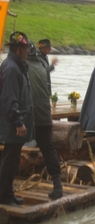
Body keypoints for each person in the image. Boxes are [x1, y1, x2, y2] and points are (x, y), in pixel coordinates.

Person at [0, 31, 35, 206]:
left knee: (12, 161)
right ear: (18, 49)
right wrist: (18, 122)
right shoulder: (11, 67)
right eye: (26, 47)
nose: (28, 50)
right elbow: (9, 98)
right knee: (9, 161)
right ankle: (4, 197)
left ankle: (8, 193)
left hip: (14, 123)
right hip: (12, 125)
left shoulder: (18, 65)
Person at [26, 43, 63, 200]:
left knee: (10, 150)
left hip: (28, 116)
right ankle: (58, 185)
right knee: (48, 149)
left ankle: (5, 189)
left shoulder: (22, 66)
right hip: (43, 115)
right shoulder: (41, 65)